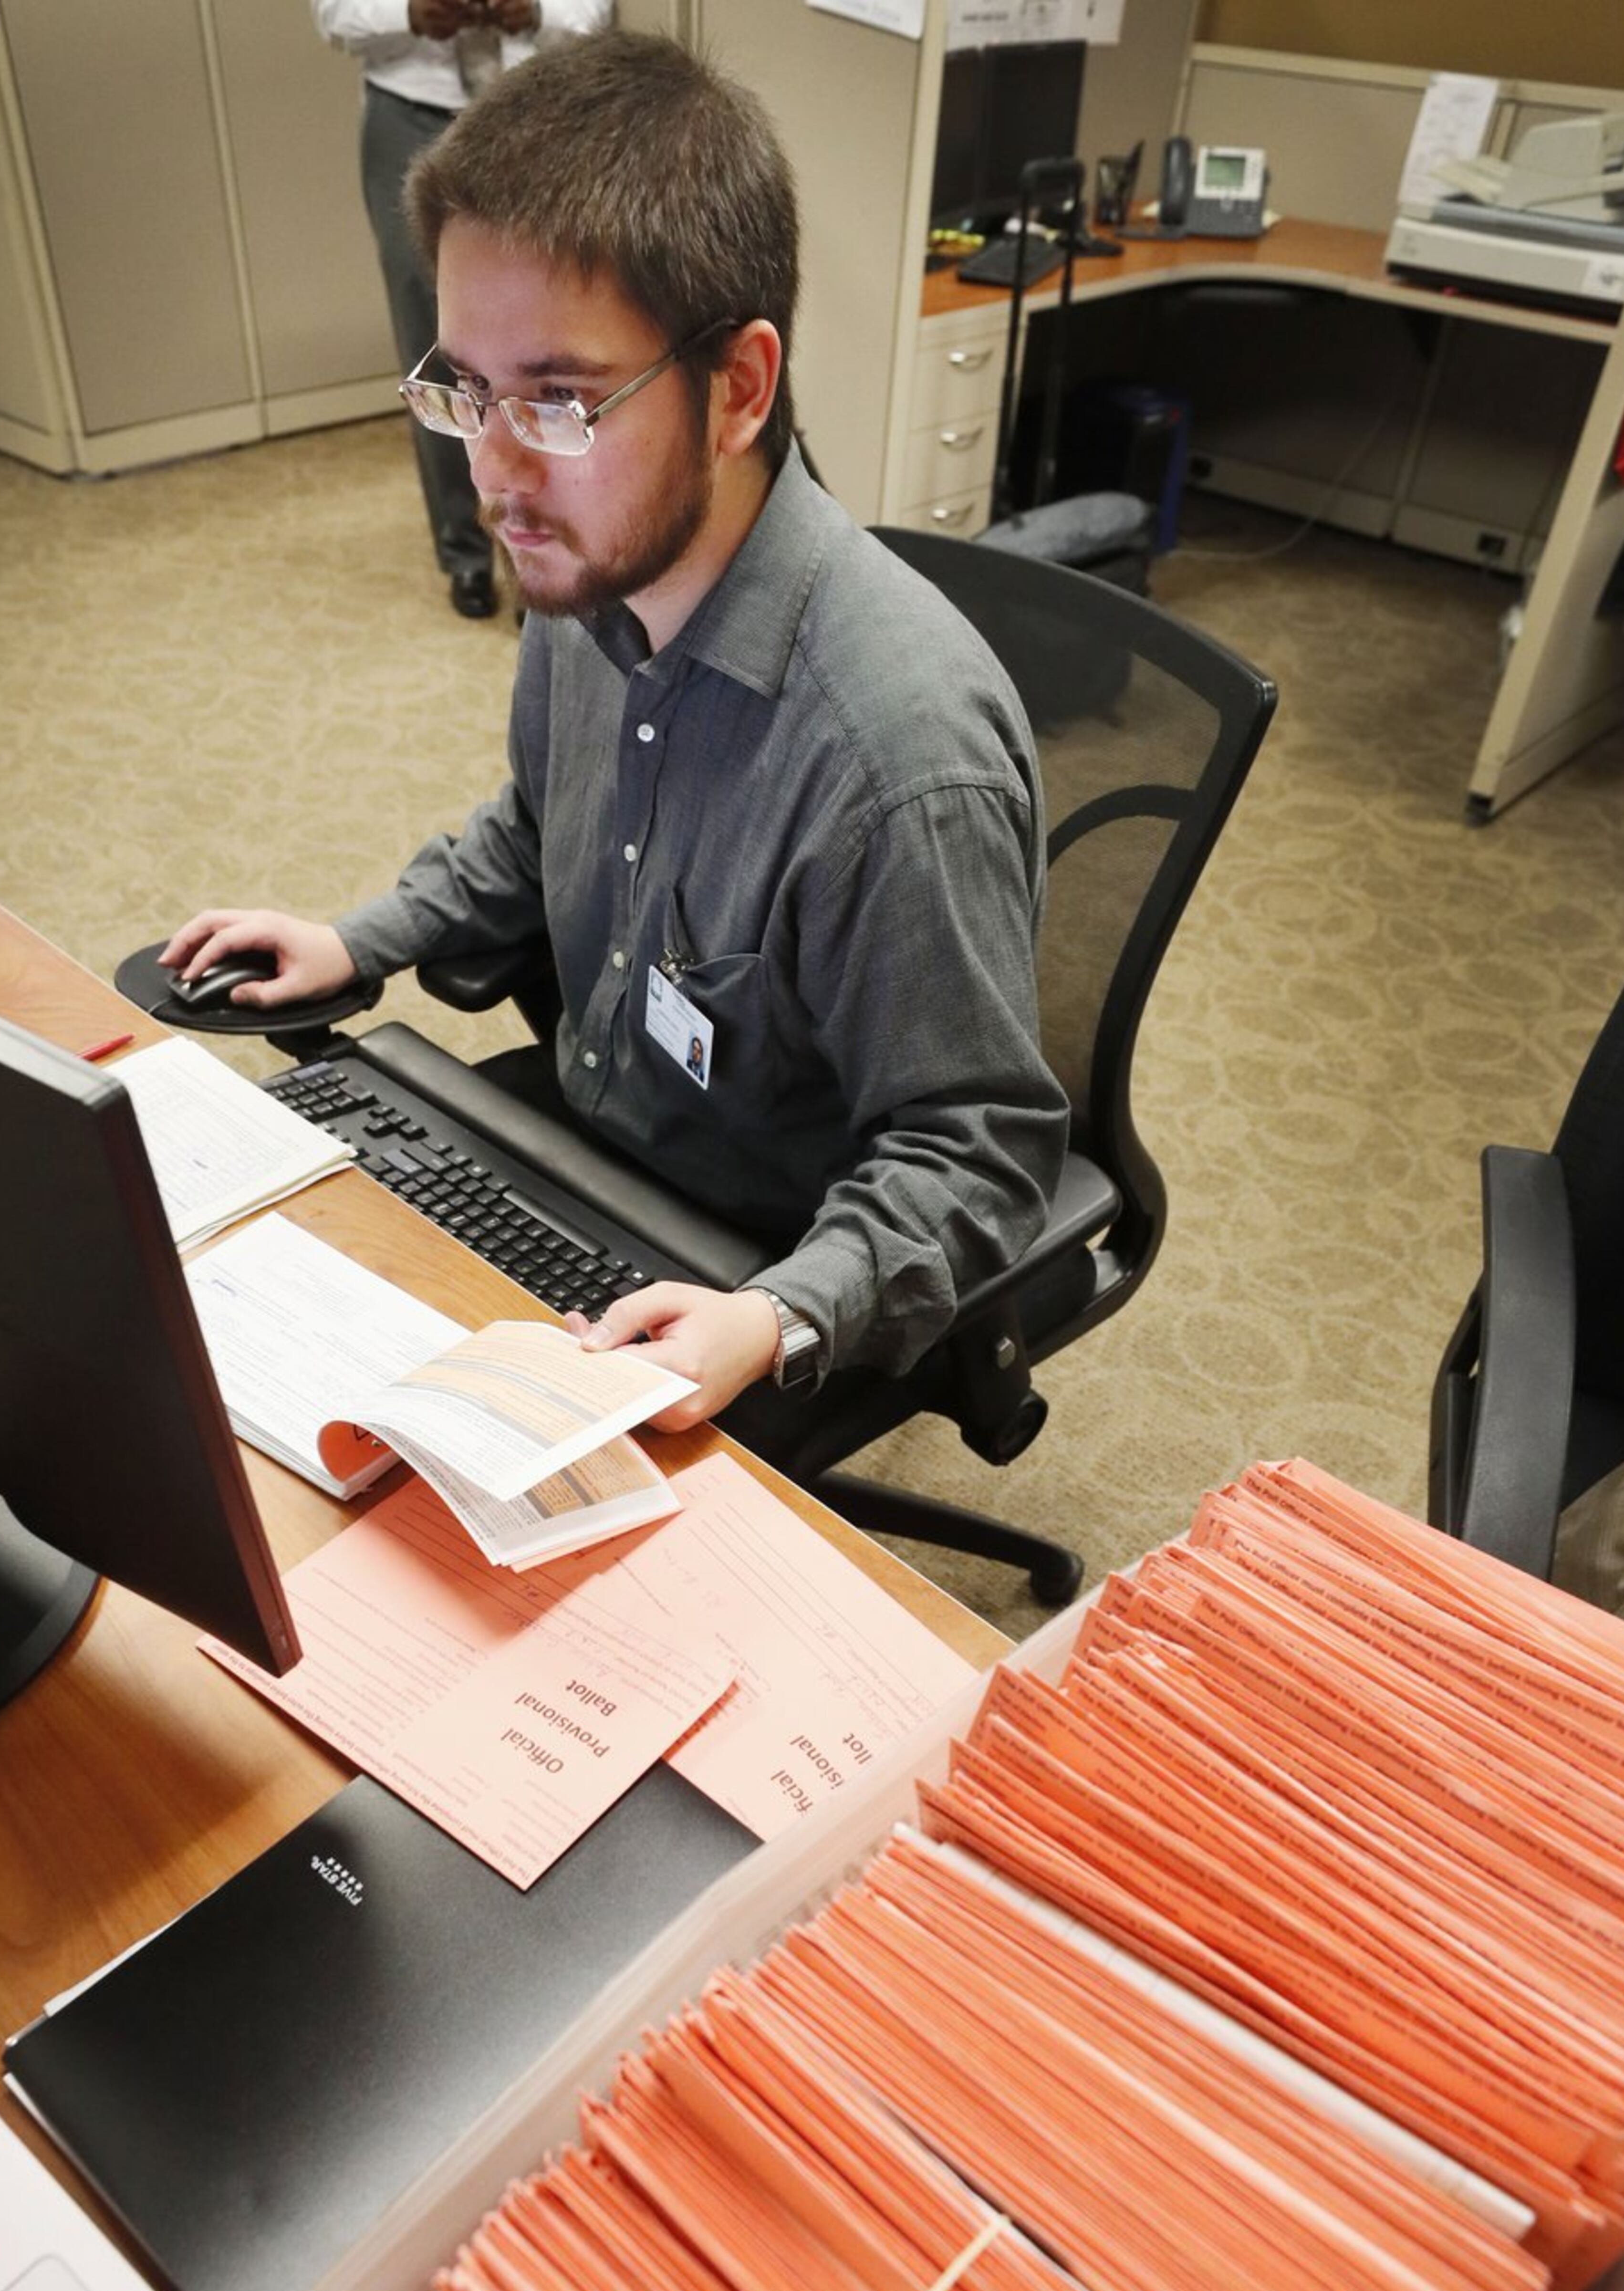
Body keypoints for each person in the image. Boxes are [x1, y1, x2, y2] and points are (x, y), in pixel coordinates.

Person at [165, 31, 1067, 1438]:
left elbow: (982, 1154)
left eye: (562, 401)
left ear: (741, 388)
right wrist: (366, 939)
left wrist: (777, 1314)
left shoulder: (897, 764)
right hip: (582, 1150)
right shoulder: (594, 568)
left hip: (752, 1266)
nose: (497, 471)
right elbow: (542, 826)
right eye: (466, 387)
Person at [313, 0, 610, 619]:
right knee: (433, 341)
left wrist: (534, 11)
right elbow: (333, 13)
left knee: (544, 340)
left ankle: (542, 555)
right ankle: (466, 553)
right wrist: (409, 13)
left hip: (537, 109)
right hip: (408, 109)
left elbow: (593, 10)